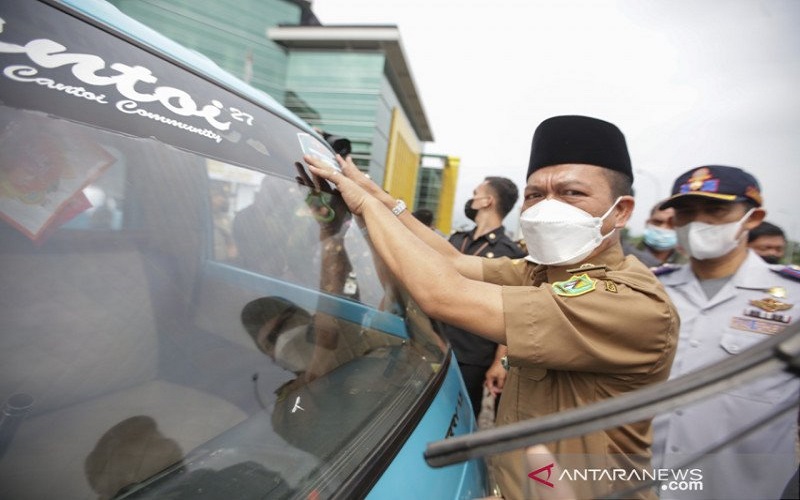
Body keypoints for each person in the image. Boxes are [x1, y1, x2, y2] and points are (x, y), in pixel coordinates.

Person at [302, 114, 678, 499]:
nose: (547, 207)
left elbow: (442, 293)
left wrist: (366, 204)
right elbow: (452, 262)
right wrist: (383, 200)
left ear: (621, 211)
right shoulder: (545, 272)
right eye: (535, 195)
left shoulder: (629, 302)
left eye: (571, 193)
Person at [651, 165, 800, 500]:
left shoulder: (793, 298)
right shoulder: (651, 288)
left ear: (752, 217)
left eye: (716, 210)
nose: (698, 223)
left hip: (745, 488)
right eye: (686, 212)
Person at [443, 176, 526, 419]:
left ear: (487, 201)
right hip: (437, 342)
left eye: (476, 192)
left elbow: (513, 312)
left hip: (473, 354)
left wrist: (500, 361)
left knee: (460, 416)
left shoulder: (509, 254)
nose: (472, 198)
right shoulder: (457, 240)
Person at [624, 203, 684, 268]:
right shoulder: (624, 255)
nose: (663, 228)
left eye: (671, 223)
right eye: (658, 222)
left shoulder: (686, 264)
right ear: (647, 223)